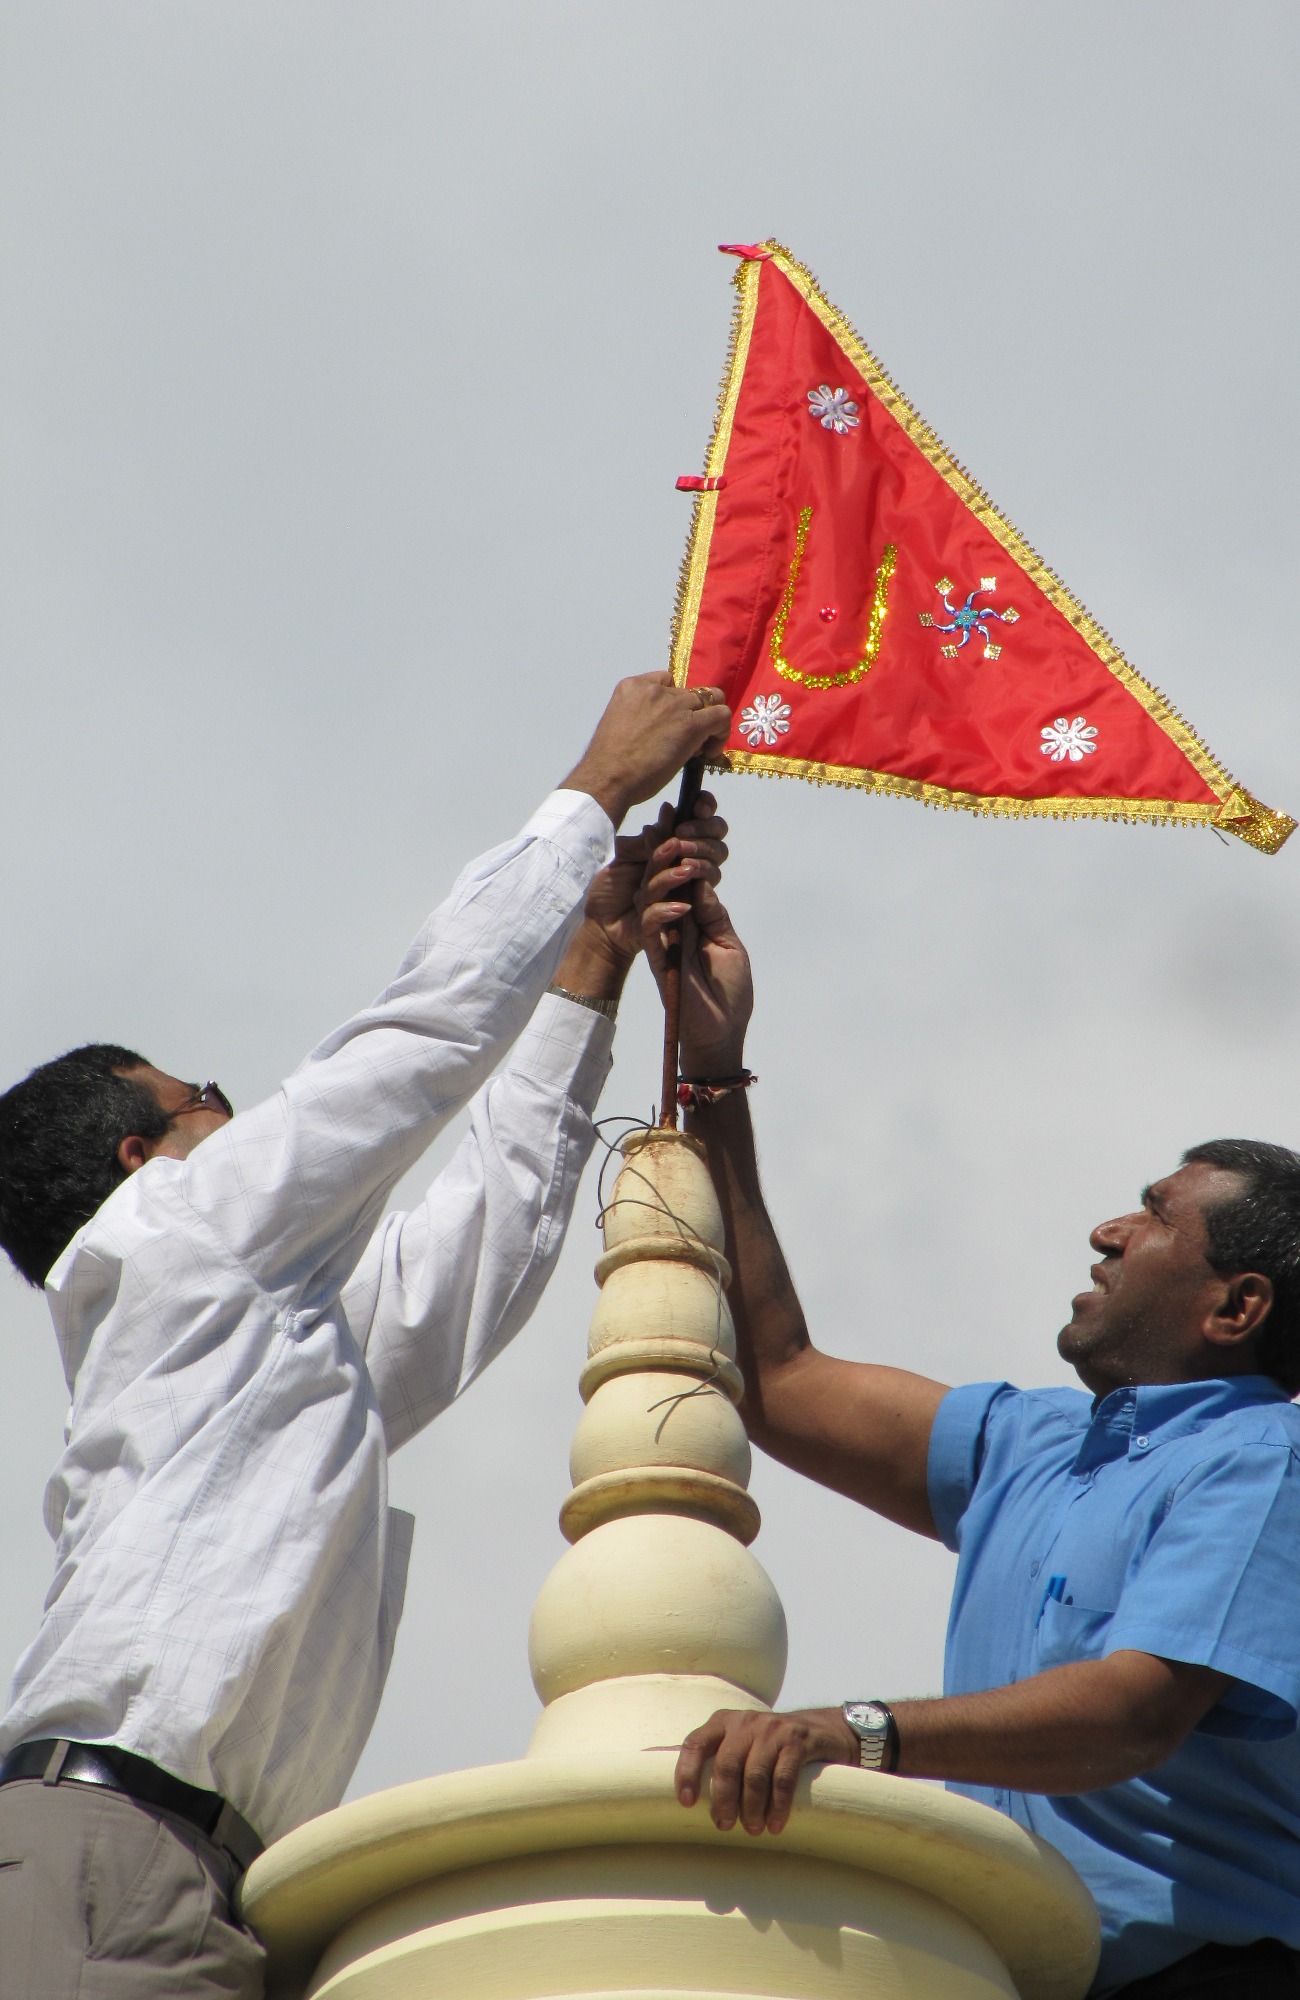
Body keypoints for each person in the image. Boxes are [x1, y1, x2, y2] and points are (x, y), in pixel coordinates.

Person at [0, 673, 731, 1999]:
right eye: (206, 1098)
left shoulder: (254, 1349)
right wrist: (594, 790)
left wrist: (587, 966)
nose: (243, 1113)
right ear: (141, 1157)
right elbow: (417, 1041)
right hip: (101, 1856)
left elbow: (475, 1264)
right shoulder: (172, 1230)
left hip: (219, 1884)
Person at [634, 841, 1300, 2000]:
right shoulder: (1029, 1442)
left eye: (1155, 1215)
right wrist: (716, 1070)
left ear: (1237, 1306)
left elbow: (1132, 1713)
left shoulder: (1262, 1462)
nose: (1107, 1230)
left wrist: (854, 1732)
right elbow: (776, 1374)